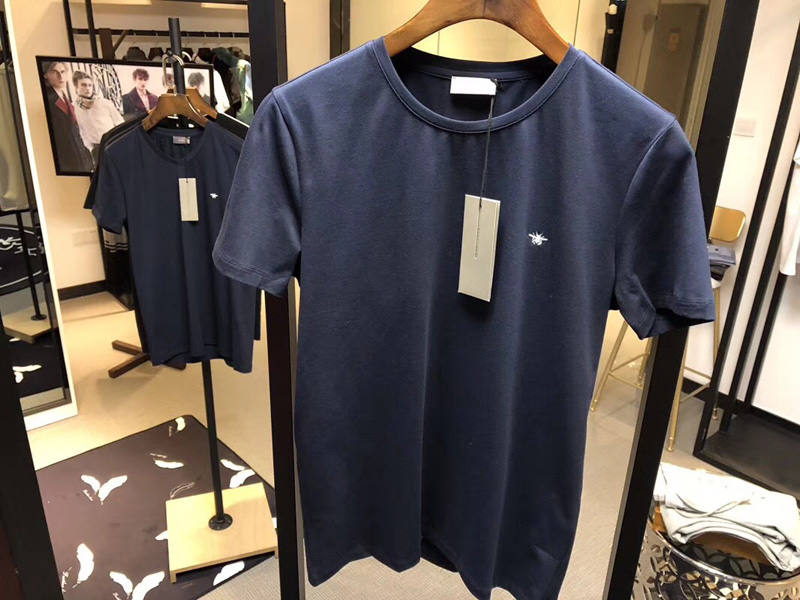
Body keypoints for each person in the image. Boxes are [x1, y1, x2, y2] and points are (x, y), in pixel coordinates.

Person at [42, 61, 92, 173]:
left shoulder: (63, 95)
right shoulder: (48, 99)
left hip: (77, 155)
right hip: (65, 159)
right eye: (54, 72)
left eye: (63, 72)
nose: (60, 76)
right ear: (45, 75)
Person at [72, 71, 123, 165]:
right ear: (76, 87)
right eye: (83, 85)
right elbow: (82, 130)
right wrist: (91, 148)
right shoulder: (76, 108)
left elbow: (120, 123)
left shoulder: (104, 103)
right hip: (97, 149)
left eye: (90, 85)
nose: (87, 88)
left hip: (113, 143)